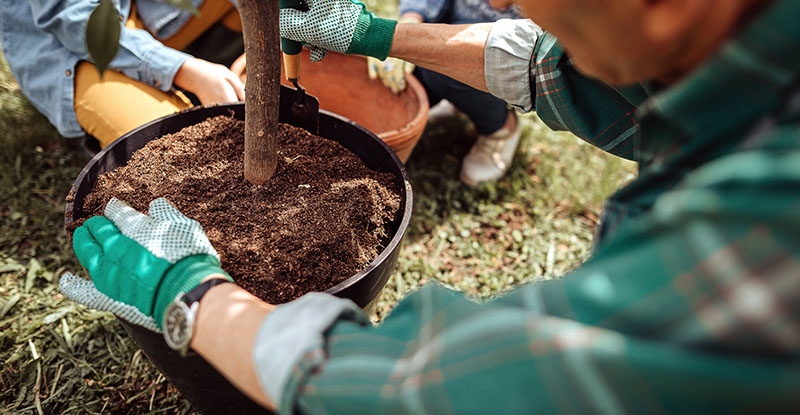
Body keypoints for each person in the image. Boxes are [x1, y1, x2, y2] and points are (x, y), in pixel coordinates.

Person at [60, 0, 800, 413]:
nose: (512, 1)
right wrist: (382, 34)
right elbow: (573, 68)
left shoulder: (766, 223)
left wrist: (192, 296)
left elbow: (441, 391)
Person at [0, 0, 245, 151]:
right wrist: (186, 72)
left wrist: (268, 35)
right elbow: (76, 20)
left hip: (153, 8)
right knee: (169, 147)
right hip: (74, 43)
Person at [368, 0, 522, 186]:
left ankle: (501, 127)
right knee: (406, 76)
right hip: (444, 46)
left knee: (445, 68)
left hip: (500, 71)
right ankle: (453, 99)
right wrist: (410, 23)